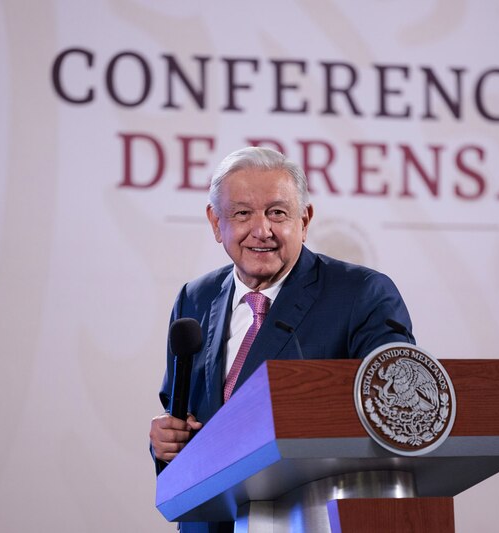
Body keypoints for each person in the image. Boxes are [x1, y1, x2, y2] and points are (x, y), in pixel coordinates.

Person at [149, 146, 414, 532]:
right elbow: (179, 412)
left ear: (304, 220)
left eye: (277, 212)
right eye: (242, 213)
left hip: (312, 519)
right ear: (215, 221)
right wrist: (165, 441)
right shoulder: (195, 298)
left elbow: (399, 410)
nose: (261, 230)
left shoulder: (361, 294)